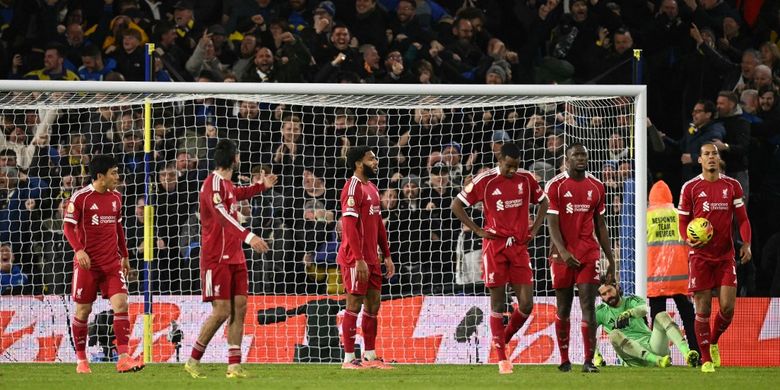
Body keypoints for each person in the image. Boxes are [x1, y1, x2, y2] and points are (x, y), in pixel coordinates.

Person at [451, 142, 549, 374]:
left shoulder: (526, 180)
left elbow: (544, 201)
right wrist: (477, 230)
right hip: (494, 247)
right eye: (508, 166)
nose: (512, 171)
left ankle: (502, 339)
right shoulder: (485, 181)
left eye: (516, 166)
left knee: (526, 304)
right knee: (497, 301)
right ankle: (502, 358)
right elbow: (456, 205)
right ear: (500, 159)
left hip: (519, 246)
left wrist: (534, 229)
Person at [184, 139, 277, 379]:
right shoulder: (212, 184)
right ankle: (193, 360)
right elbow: (223, 215)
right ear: (235, 158)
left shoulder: (226, 184)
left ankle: (234, 366)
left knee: (240, 308)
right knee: (222, 310)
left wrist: (260, 187)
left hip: (235, 255)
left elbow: (237, 194)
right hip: (216, 258)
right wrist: (250, 237)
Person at [62, 155, 143, 374]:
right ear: (100, 176)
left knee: (121, 305)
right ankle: (81, 361)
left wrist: (124, 255)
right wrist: (79, 250)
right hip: (88, 265)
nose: (117, 177)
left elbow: (118, 228)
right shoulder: (80, 198)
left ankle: (124, 358)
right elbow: (68, 228)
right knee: (83, 310)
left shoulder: (116, 198)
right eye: (113, 173)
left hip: (112, 263)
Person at [677, 143, 752, 373]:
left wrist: (747, 243)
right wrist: (688, 239)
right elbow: (682, 222)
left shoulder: (732, 186)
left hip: (725, 255)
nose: (711, 157)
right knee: (703, 308)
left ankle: (714, 340)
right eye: (706, 154)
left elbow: (743, 219)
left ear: (719, 159)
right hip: (699, 256)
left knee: (728, 308)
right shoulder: (690, 188)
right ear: (699, 160)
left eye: (714, 154)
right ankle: (706, 359)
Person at [545, 143, 616, 373]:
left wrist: (610, 259)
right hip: (561, 255)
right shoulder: (555, 185)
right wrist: (564, 253)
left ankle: (588, 361)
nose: (580, 158)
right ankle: (564, 359)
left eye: (583, 155)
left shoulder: (596, 186)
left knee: (588, 304)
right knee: (563, 307)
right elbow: (552, 224)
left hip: (588, 252)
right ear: (567, 160)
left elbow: (601, 225)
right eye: (575, 155)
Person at [338, 146, 395, 369]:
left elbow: (379, 225)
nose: (376, 161)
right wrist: (359, 259)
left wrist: (387, 255)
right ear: (358, 163)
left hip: (373, 258)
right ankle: (348, 358)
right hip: (355, 258)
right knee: (354, 304)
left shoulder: (371, 187)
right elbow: (349, 227)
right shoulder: (352, 189)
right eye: (371, 158)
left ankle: (370, 356)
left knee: (373, 305)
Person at [596, 283, 699, 367]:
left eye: (610, 291)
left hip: (653, 346)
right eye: (604, 294)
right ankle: (657, 360)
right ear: (601, 297)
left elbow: (644, 310)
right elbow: (588, 331)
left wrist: (629, 313)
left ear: (617, 287)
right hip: (633, 358)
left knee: (662, 315)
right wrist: (596, 356)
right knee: (614, 334)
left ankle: (687, 355)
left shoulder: (631, 301)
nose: (608, 295)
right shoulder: (601, 312)